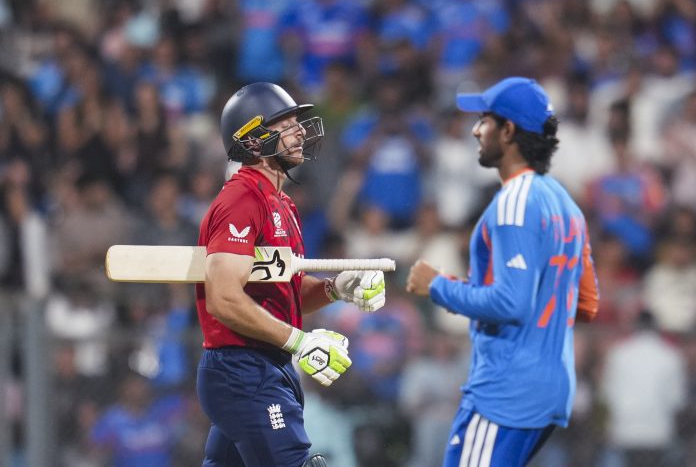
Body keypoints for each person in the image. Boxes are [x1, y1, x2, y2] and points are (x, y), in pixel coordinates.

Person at [406, 77, 600, 467]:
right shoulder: (565, 203)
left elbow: (512, 303)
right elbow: (587, 303)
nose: (476, 130)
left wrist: (439, 286)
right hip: (551, 384)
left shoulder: (515, 202)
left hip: (508, 389)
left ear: (508, 130)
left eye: (484, 120)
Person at [195, 82, 387, 467]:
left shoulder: (281, 203)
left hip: (263, 364)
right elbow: (223, 298)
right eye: (284, 124)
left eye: (296, 122)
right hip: (244, 367)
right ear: (252, 141)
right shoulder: (242, 199)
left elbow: (282, 295)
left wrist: (335, 288)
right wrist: (299, 341)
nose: (298, 131)